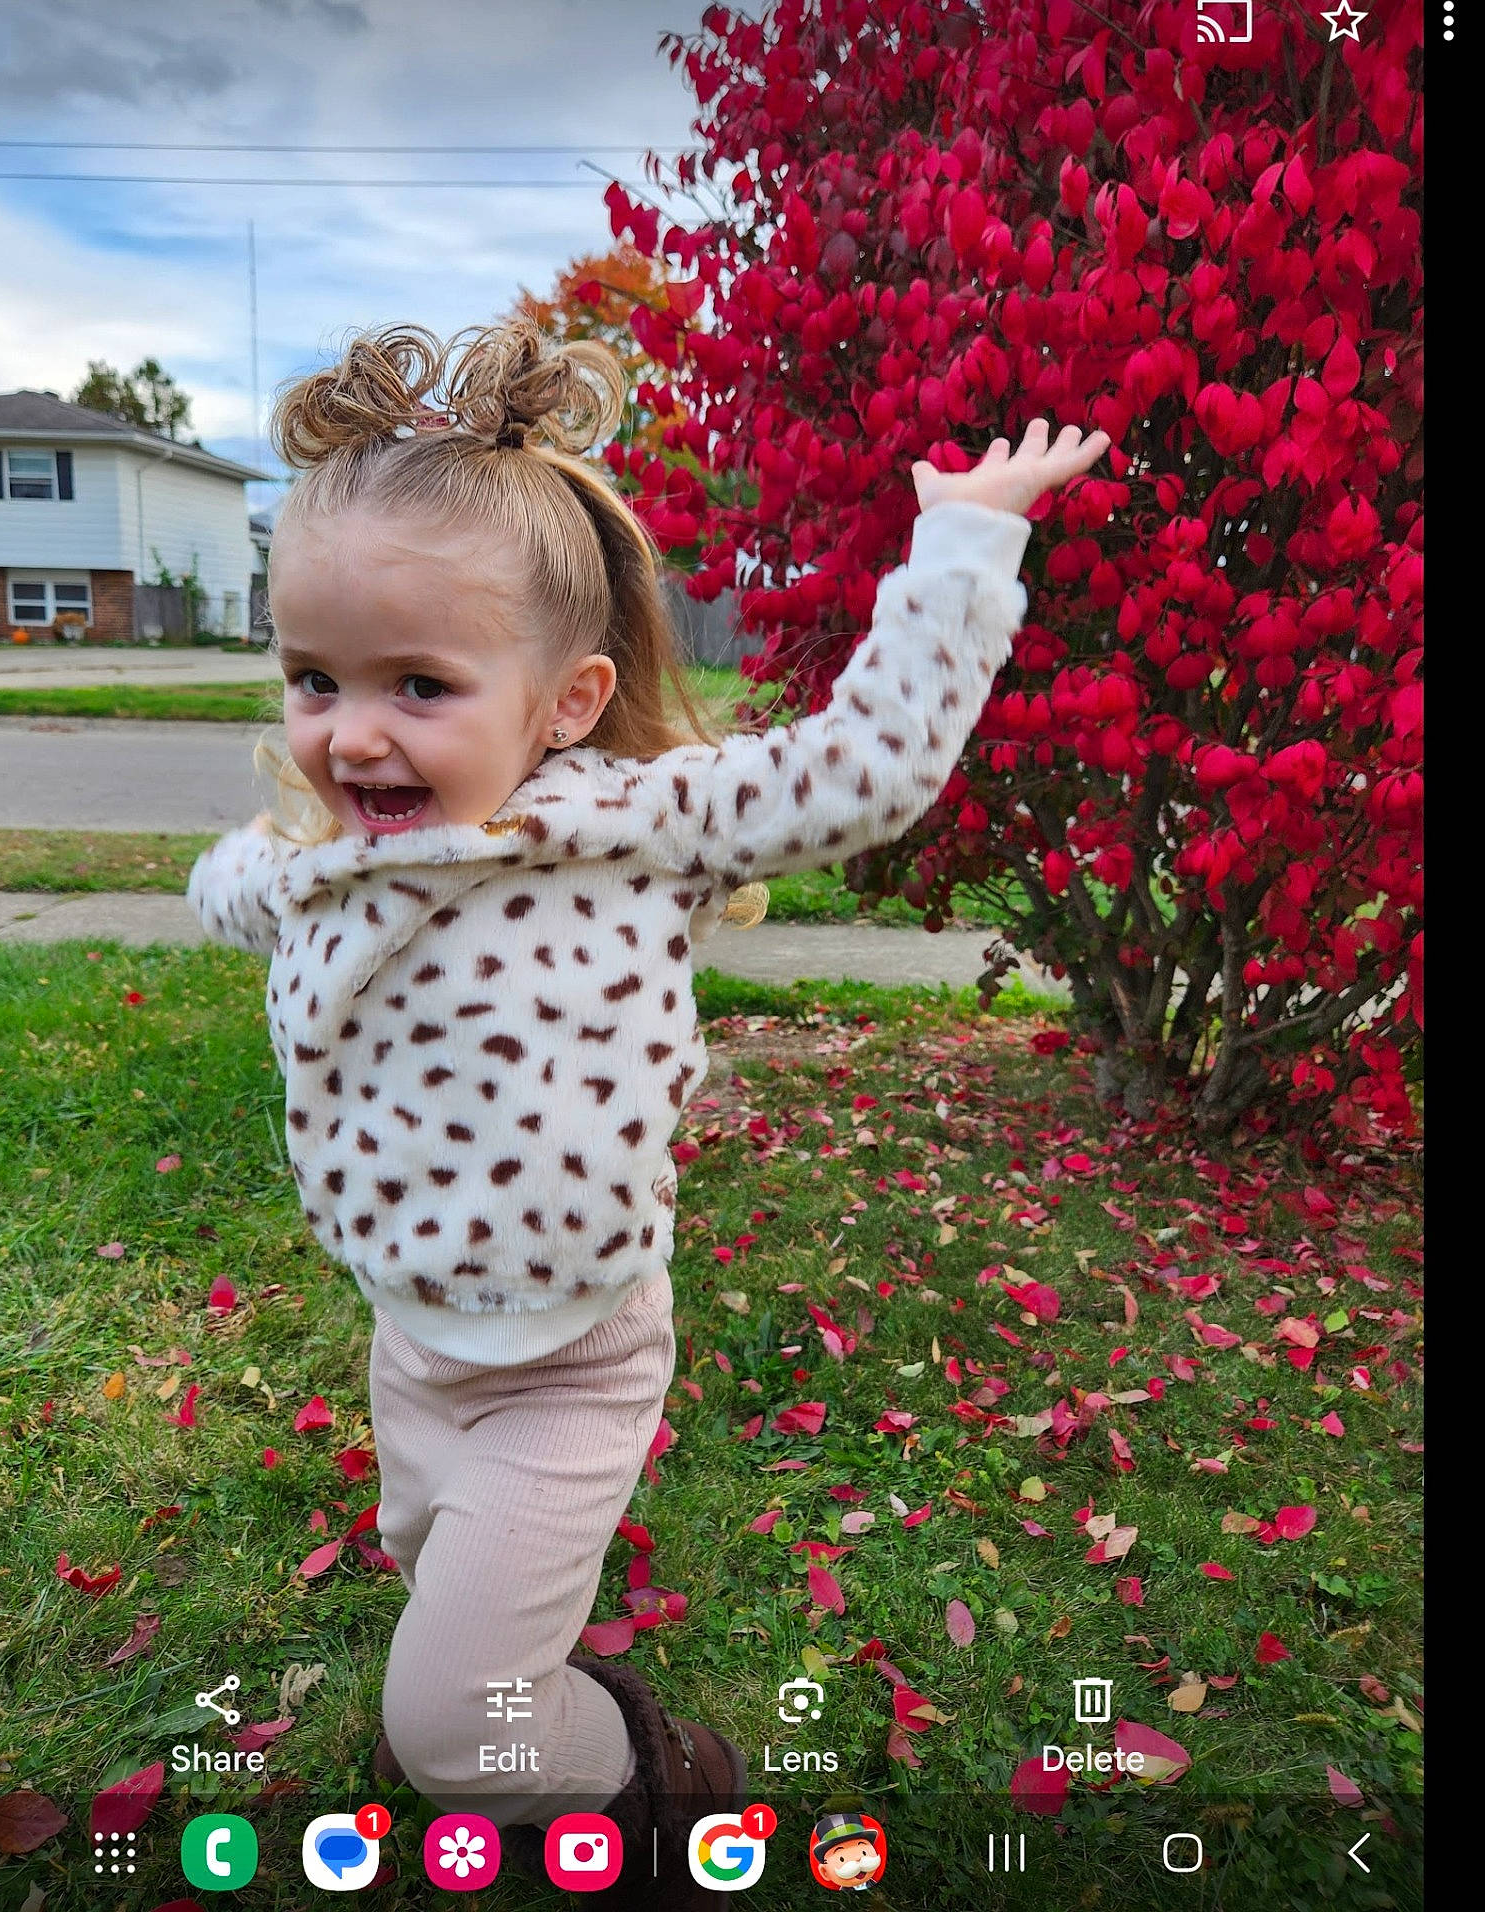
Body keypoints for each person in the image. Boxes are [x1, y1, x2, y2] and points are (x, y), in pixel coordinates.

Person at [188, 316, 1108, 1896]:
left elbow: (861, 772)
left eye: (419, 683)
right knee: (437, 1582)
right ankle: (512, 1684)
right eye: (312, 679)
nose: (351, 731)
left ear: (565, 700)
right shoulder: (321, 863)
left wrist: (960, 545)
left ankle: (649, 1776)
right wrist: (227, 875)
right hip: (412, 1343)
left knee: (456, 1731)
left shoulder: (631, 827)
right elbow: (243, 887)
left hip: (569, 1358)